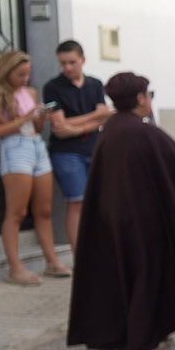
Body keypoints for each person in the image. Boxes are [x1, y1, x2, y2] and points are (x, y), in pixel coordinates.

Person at [67, 73, 175, 350]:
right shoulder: (142, 131)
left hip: (113, 217)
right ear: (139, 99)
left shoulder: (111, 128)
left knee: (122, 275)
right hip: (142, 221)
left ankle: (119, 332)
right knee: (147, 274)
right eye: (149, 94)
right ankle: (145, 342)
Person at [0, 50, 70, 286]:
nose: (25, 78)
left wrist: (41, 116)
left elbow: (38, 126)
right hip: (14, 149)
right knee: (17, 212)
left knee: (44, 210)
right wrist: (24, 118)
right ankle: (15, 268)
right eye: (20, 74)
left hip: (36, 146)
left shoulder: (30, 92)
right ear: (6, 72)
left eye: (28, 74)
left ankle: (52, 261)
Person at [43, 39, 113, 253]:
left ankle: (99, 251)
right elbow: (57, 123)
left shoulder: (96, 84)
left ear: (83, 60)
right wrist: (94, 116)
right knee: (77, 202)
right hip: (66, 154)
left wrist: (73, 128)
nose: (67, 67)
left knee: (98, 202)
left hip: (94, 149)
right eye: (63, 63)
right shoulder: (51, 88)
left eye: (72, 62)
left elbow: (106, 118)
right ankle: (79, 255)